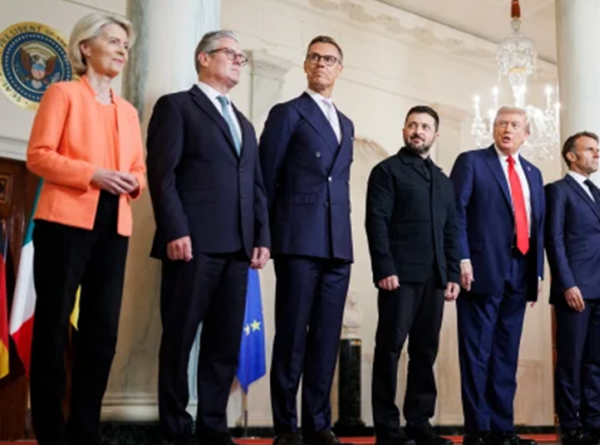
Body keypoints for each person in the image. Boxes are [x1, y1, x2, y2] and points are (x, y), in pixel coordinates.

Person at [25, 13, 145, 445]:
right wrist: (93, 174)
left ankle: (85, 430)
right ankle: (51, 433)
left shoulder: (128, 112)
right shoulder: (62, 93)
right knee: (54, 325)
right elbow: (38, 155)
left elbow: (138, 168)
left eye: (125, 45)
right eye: (112, 41)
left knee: (102, 330)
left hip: (115, 223)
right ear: (85, 47)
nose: (121, 51)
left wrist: (133, 182)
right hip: (64, 221)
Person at [147, 30, 270, 445]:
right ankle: (175, 430)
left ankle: (213, 427)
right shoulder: (177, 106)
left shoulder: (244, 123)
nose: (237, 60)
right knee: (180, 339)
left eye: (241, 56)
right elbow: (162, 176)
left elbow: (255, 187)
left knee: (223, 344)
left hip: (238, 250)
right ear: (203, 57)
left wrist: (262, 236)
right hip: (191, 245)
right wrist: (175, 229)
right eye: (229, 53)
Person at [258, 36, 355, 445]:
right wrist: (263, 235)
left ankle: (318, 423)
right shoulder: (287, 113)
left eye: (329, 59)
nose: (321, 64)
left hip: (337, 244)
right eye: (314, 57)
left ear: (339, 69)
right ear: (305, 64)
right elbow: (265, 179)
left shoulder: (346, 124)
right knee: (293, 334)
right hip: (297, 238)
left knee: (326, 339)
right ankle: (286, 426)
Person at [366, 106, 460, 445]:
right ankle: (387, 428)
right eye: (412, 125)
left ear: (436, 135)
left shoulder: (443, 181)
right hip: (399, 276)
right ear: (404, 130)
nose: (418, 131)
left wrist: (452, 273)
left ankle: (419, 422)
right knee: (390, 348)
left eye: (425, 127)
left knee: (425, 351)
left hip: (435, 279)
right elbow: (376, 222)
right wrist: (384, 268)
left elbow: (451, 230)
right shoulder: (386, 171)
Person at [450, 106, 545, 445]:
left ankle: (503, 429)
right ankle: (478, 431)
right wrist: (461, 258)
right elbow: (456, 212)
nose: (507, 129)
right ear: (493, 128)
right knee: (477, 352)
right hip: (480, 269)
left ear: (526, 134)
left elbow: (537, 224)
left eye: (515, 125)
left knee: (506, 353)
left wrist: (537, 273)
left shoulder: (533, 173)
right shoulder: (472, 162)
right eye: (502, 123)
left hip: (520, 272)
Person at [544, 132, 600, 445]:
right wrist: (567, 283)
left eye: (597, 149)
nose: (596, 154)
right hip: (575, 288)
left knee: (597, 362)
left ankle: (593, 423)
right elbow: (554, 240)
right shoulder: (557, 190)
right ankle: (571, 425)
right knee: (571, 360)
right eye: (590, 149)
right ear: (571, 156)